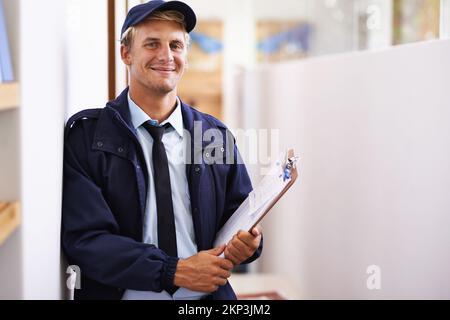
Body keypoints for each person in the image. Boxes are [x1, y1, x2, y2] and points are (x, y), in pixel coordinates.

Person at [62, 0, 263, 300]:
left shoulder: (213, 136)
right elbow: (87, 240)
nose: (166, 56)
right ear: (126, 53)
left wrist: (249, 243)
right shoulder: (87, 137)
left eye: (176, 45)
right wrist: (172, 270)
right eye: (152, 44)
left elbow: (240, 216)